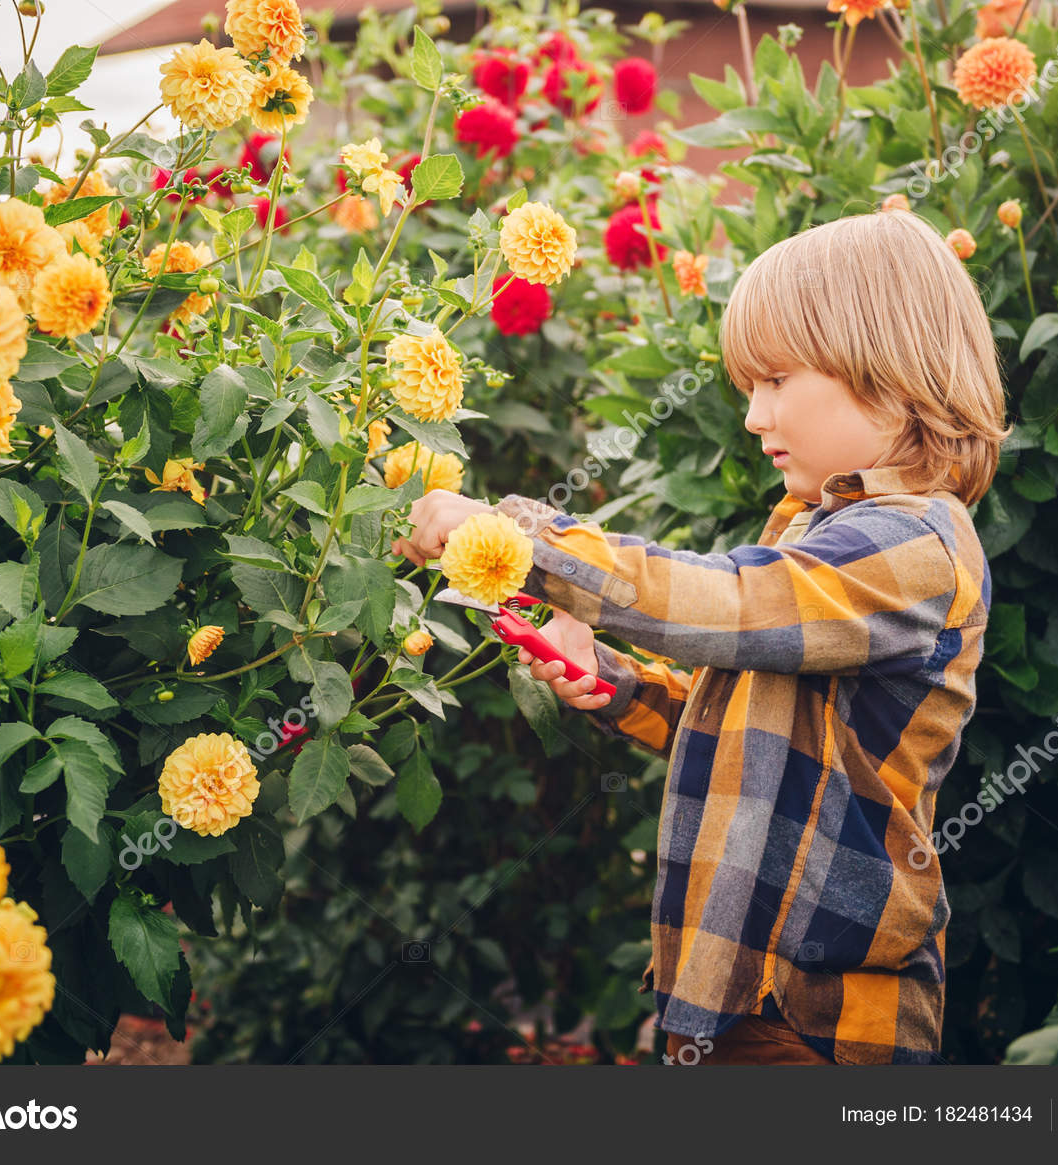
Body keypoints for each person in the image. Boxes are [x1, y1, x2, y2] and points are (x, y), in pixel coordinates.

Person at [392, 209, 1010, 1065]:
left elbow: (727, 602)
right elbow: (757, 737)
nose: (755, 417)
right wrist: (618, 683)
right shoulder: (826, 529)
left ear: (890, 372)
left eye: (777, 381)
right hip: (732, 992)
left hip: (817, 1014)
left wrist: (511, 537)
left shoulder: (914, 547)